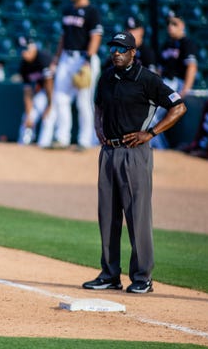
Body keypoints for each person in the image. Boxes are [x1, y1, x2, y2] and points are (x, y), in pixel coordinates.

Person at [82, 31, 186, 294]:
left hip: (135, 153)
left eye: (122, 49)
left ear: (133, 52)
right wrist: (98, 128)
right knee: (107, 216)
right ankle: (109, 274)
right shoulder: (106, 77)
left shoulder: (147, 79)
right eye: (114, 48)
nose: (116, 52)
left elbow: (179, 106)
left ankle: (142, 277)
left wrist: (150, 133)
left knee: (137, 216)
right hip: (108, 151)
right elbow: (98, 106)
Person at [38, 0, 103, 151]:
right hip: (67, 57)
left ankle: (84, 140)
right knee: (60, 98)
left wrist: (88, 61)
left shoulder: (92, 11)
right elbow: (63, 37)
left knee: (83, 101)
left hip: (84, 58)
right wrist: (56, 60)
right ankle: (62, 138)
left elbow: (96, 37)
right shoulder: (67, 10)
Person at [150, 10, 199, 149]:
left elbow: (191, 67)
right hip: (165, 83)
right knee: (151, 114)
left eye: (174, 23)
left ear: (182, 25)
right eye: (168, 24)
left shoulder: (187, 43)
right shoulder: (167, 44)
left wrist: (185, 90)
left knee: (152, 114)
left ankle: (160, 148)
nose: (170, 26)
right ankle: (159, 147)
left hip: (177, 83)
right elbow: (159, 70)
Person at [15, 36, 52, 145]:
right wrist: (29, 114)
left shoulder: (42, 57)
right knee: (28, 117)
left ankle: (45, 144)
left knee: (49, 116)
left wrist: (50, 105)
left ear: (33, 48)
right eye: (21, 50)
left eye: (26, 49)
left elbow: (50, 83)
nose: (23, 53)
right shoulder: (23, 65)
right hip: (41, 91)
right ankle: (23, 143)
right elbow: (27, 92)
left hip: (56, 89)